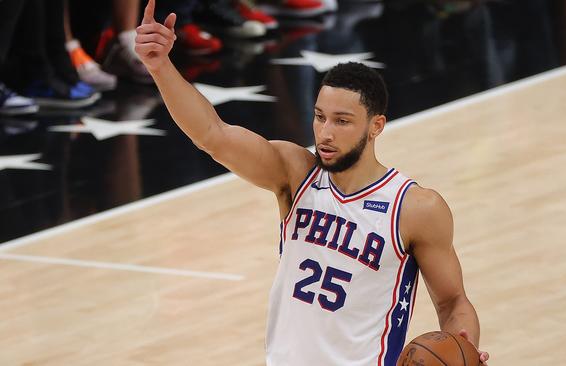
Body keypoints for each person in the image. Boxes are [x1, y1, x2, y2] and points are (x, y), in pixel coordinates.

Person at [135, 0, 490, 364]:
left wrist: (463, 345)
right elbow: (213, 134)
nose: (325, 133)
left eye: (342, 121)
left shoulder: (414, 208)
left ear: (376, 126)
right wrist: (160, 66)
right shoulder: (295, 173)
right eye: (320, 117)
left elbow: (452, 301)